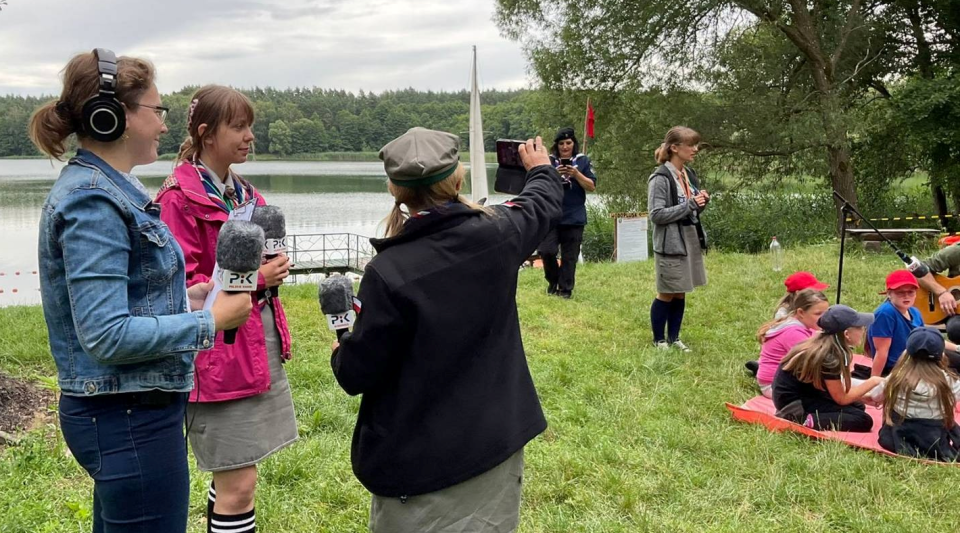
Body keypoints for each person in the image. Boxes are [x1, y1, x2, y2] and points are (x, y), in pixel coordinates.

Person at [29, 50, 251, 533]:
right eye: (156, 111)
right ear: (113, 117)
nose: (165, 127)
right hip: (127, 415)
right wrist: (209, 322)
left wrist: (188, 297)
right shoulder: (93, 200)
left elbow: (125, 299)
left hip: (129, 410)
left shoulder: (109, 189)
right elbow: (106, 334)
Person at [330, 128, 561, 532]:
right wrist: (540, 168)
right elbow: (541, 203)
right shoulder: (500, 232)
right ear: (459, 179)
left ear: (394, 189)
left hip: (418, 471)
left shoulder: (388, 273)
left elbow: (355, 373)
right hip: (495, 447)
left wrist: (341, 341)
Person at [155, 85, 298, 533]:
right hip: (214, 355)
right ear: (206, 134)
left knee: (237, 474)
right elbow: (177, 287)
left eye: (249, 125)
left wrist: (270, 269)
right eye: (238, 126)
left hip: (255, 344)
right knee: (240, 483)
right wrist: (258, 280)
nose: (249, 135)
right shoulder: (177, 199)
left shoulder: (245, 194)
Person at [772, 305, 883, 432]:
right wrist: (873, 381)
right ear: (846, 334)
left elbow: (836, 389)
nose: (864, 331)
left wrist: (862, 397)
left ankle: (808, 416)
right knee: (863, 420)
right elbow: (841, 398)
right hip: (793, 404)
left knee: (858, 405)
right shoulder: (829, 358)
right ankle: (804, 419)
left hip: (806, 392)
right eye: (860, 327)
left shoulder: (825, 344)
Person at [647, 126, 709, 351]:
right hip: (670, 242)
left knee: (681, 289)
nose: (695, 149)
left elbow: (689, 210)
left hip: (688, 237)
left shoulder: (688, 174)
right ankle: (658, 339)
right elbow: (656, 215)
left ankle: (674, 337)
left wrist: (700, 204)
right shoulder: (660, 178)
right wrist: (690, 204)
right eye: (690, 145)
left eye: (696, 144)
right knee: (667, 291)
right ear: (674, 147)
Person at [877, 327, 960, 460]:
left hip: (899, 438)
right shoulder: (950, 381)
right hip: (933, 439)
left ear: (907, 353)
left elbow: (876, 396)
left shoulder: (896, 377)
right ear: (942, 354)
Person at [538, 127, 597, 298]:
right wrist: (555, 175)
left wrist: (576, 174)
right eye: (562, 143)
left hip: (574, 216)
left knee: (569, 256)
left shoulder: (583, 161)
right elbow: (539, 184)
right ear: (556, 145)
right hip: (551, 214)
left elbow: (591, 186)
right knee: (546, 251)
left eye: (568, 143)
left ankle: (565, 289)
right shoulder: (548, 161)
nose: (565, 147)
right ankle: (553, 280)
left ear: (574, 144)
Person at [755, 289, 829, 398]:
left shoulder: (799, 323)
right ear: (801, 313)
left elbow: (816, 336)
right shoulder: (793, 333)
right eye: (818, 313)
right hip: (774, 386)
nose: (824, 318)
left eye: (826, 313)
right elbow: (814, 362)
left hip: (781, 380)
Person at [866, 270, 926, 377]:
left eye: (911, 292)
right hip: (897, 368)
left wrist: (957, 348)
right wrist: (874, 381)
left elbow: (927, 339)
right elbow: (881, 352)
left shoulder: (915, 312)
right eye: (900, 292)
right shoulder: (886, 313)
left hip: (916, 360)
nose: (906, 296)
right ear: (889, 294)